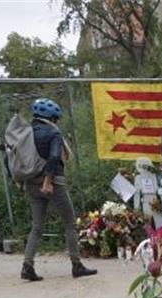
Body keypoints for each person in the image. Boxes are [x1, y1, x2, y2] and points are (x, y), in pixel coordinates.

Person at [21, 98, 96, 282]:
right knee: (69, 222)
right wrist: (48, 181)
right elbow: (54, 157)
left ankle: (27, 265)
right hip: (54, 182)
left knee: (37, 227)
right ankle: (76, 265)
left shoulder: (26, 133)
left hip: (31, 183)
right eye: (56, 118)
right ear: (52, 118)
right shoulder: (53, 133)